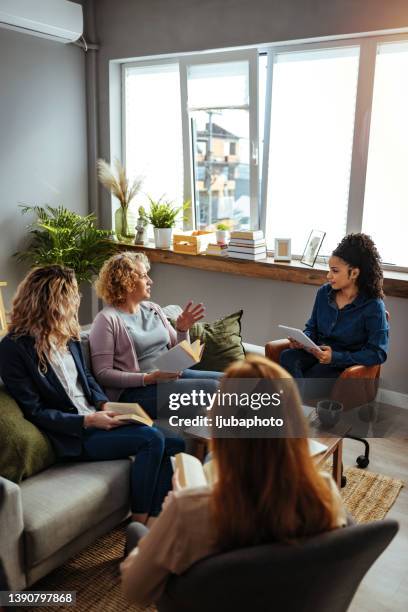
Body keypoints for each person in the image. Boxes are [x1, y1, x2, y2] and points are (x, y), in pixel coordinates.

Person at [120, 355, 348, 606]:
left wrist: (168, 515)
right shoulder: (324, 490)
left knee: (141, 527)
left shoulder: (189, 509)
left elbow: (136, 592)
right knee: (211, 464)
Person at [0, 265, 183, 525]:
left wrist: (104, 403)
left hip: (97, 412)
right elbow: (35, 410)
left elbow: (86, 378)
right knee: (151, 439)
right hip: (73, 433)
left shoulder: (67, 333)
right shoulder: (14, 348)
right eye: (73, 296)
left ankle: (154, 522)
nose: (77, 301)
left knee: (174, 441)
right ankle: (141, 523)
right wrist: (88, 421)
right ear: (54, 301)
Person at [89, 252, 222, 419]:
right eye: (144, 276)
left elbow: (181, 354)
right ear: (127, 281)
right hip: (136, 392)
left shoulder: (153, 308)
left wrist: (182, 330)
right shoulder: (106, 320)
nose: (150, 281)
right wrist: (149, 378)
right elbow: (103, 374)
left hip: (169, 377)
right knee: (211, 388)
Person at [279, 233, 389, 393]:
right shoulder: (324, 293)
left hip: (342, 364)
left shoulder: (373, 306)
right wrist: (303, 340)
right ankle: (292, 406)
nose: (328, 275)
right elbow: (312, 327)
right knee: (287, 356)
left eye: (335, 271)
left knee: (305, 380)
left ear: (354, 273)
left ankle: (287, 405)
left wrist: (335, 357)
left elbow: (378, 353)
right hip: (316, 353)